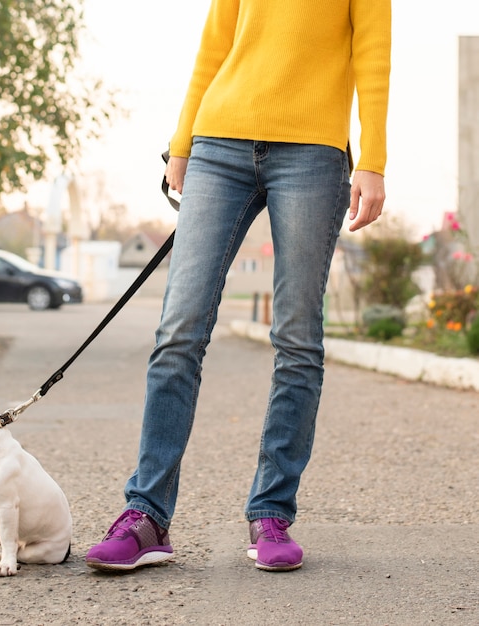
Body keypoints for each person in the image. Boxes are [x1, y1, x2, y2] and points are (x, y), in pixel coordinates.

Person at [86, 0, 391, 572]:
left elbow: (373, 54)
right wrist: (182, 143)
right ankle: (147, 515)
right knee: (179, 329)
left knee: (297, 338)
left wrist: (371, 159)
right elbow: (215, 45)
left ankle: (271, 513)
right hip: (218, 144)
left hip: (312, 153)